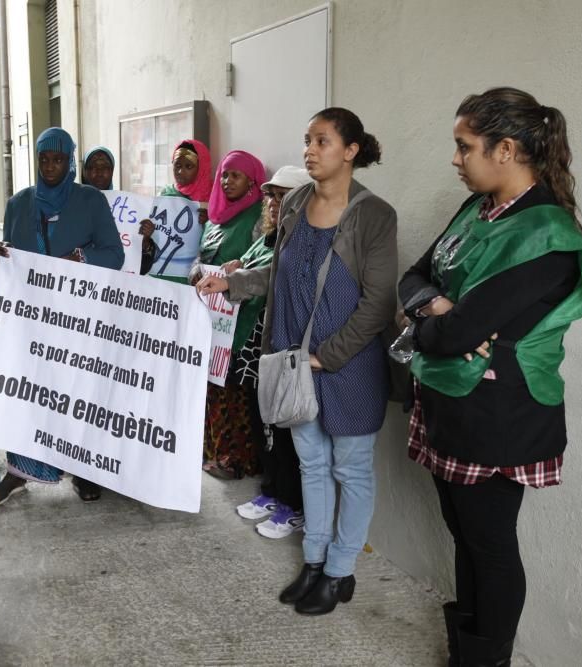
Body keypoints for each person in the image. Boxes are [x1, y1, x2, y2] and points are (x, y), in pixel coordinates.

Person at [398, 88, 582, 666]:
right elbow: (414, 277)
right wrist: (436, 307)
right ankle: (467, 651)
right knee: (464, 536)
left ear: (505, 149)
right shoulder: (476, 209)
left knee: (490, 547)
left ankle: (487, 660)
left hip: (498, 416)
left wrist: (439, 318)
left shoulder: (546, 236)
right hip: (448, 400)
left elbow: (458, 335)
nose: (455, 160)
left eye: (464, 147)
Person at [198, 108, 397, 615]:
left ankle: (340, 569)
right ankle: (313, 562)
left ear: (351, 151)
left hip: (347, 366)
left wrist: (325, 357)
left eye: (322, 141)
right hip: (291, 361)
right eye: (307, 140)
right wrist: (234, 283)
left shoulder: (373, 214)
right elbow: (276, 275)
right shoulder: (295, 205)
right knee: (311, 463)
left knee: (350, 469)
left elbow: (377, 303)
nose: (309, 150)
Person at [0, 127, 124, 505]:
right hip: (31, 320)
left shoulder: (90, 201)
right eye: (44, 159)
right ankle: (19, 471)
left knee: (78, 394)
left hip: (79, 320)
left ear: (70, 162)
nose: (50, 166)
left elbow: (115, 254)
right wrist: (4, 252)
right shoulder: (19, 203)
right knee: (29, 394)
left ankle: (84, 471)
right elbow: (15, 254)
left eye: (58, 159)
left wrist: (80, 258)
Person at [230, 166, 311, 538]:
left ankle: (293, 505)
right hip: (257, 348)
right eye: (271, 196)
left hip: (287, 348)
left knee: (286, 431)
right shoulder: (267, 237)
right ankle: (273, 492)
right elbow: (252, 269)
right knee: (266, 426)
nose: (274, 203)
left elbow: (269, 279)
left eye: (283, 196)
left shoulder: (305, 238)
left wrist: (239, 275)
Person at [189, 149, 267, 480]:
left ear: (252, 182)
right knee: (212, 388)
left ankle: (237, 459)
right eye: (224, 174)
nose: (227, 181)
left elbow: (259, 267)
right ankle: (215, 451)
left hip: (241, 321)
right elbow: (199, 258)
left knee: (234, 391)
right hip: (213, 321)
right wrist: (196, 272)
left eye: (235, 175)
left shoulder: (258, 220)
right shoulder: (215, 220)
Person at [139, 139, 211, 277]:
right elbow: (153, 237)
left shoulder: (212, 199)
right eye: (177, 165)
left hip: (193, 277)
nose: (180, 171)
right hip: (159, 274)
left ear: (201, 168)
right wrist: (148, 232)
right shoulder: (164, 195)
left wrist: (209, 222)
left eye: (188, 167)